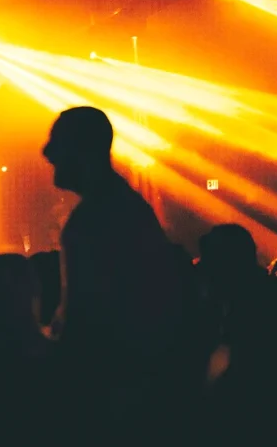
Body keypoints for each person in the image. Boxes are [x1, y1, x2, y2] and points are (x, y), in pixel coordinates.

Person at [41, 106, 185, 438]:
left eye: (57, 141)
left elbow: (85, 321)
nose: (46, 152)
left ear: (84, 150)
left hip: (111, 400)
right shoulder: (122, 207)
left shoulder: (95, 219)